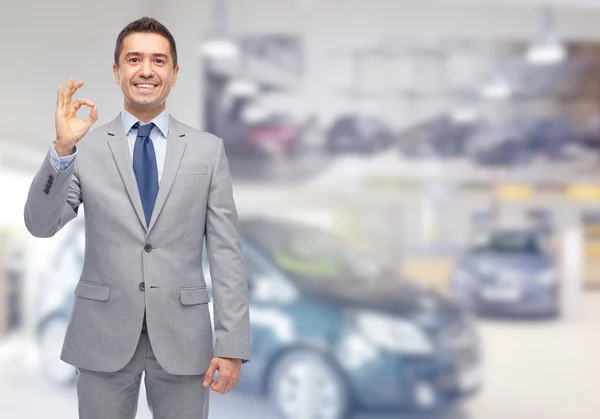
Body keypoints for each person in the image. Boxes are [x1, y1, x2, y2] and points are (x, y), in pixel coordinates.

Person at [23, 17, 250, 419]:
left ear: (175, 74)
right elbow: (40, 225)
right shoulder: (85, 148)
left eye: (159, 61)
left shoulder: (207, 151)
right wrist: (61, 149)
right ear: (117, 71)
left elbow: (227, 252)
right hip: (101, 334)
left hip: (184, 338)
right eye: (134, 59)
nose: (146, 70)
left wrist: (232, 344)